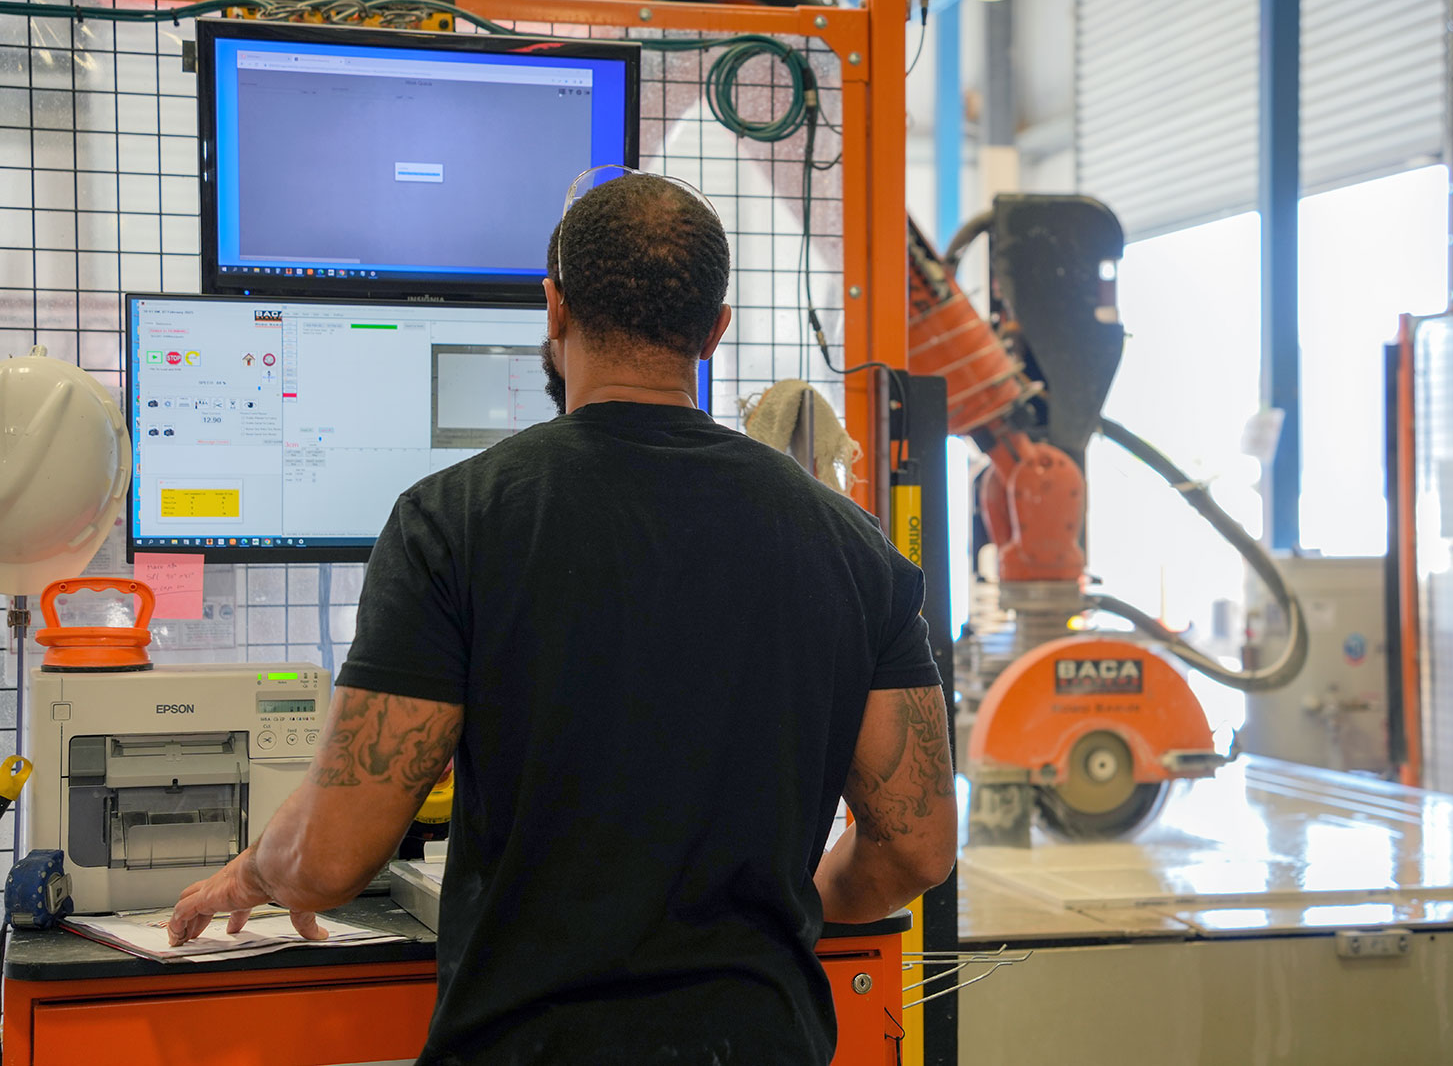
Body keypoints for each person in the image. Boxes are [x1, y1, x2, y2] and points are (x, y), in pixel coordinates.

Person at [168, 171, 957, 1064]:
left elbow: (334, 857)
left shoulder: (453, 522)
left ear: (554, 308)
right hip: (760, 1040)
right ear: (713, 329)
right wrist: (782, 903)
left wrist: (255, 868)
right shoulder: (853, 547)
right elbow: (916, 850)